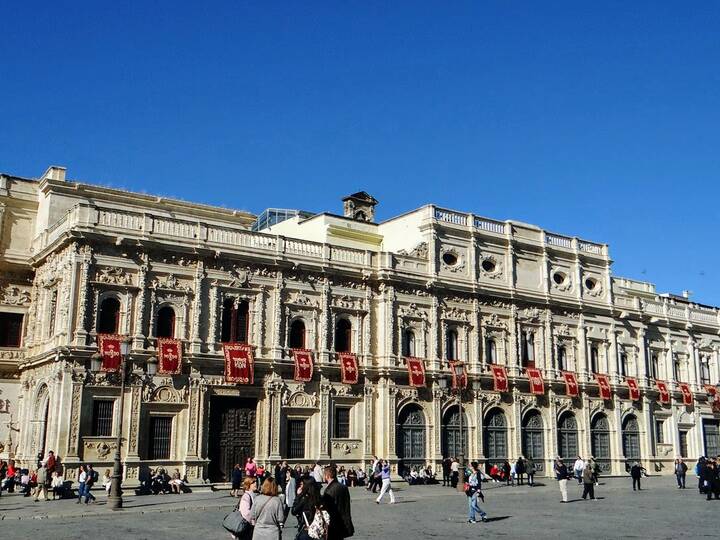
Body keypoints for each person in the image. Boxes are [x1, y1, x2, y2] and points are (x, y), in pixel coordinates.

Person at [322, 465, 354, 540]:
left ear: (327, 476)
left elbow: (326, 507)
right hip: (343, 521)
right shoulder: (343, 487)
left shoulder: (329, 490)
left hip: (333, 523)